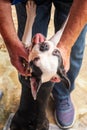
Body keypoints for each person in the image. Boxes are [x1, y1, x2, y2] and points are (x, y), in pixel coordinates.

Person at [0, 0, 87, 129]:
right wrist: (11, 42)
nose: (44, 47)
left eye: (37, 59)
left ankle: (62, 95)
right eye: (55, 54)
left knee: (74, 47)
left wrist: (67, 45)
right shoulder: (50, 54)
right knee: (25, 73)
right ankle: (29, 87)